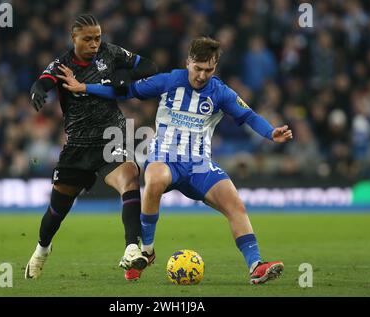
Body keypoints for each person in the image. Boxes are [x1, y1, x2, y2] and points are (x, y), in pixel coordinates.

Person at [56, 37, 293, 284]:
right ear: (188, 62)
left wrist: (270, 132)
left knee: (235, 204)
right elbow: (126, 91)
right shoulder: (169, 80)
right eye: (198, 68)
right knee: (155, 178)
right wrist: (84, 88)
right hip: (164, 159)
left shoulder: (221, 92)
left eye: (208, 70)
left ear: (215, 67)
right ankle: (146, 251)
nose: (202, 75)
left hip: (199, 164)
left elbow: (248, 116)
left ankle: (256, 265)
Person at [25, 14, 158, 281]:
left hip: (111, 137)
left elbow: (150, 67)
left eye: (98, 37)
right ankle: (42, 249)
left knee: (130, 177)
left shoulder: (111, 53)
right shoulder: (62, 64)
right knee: (57, 210)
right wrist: (38, 89)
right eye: (88, 39)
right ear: (73, 38)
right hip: (77, 146)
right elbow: (44, 80)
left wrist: (124, 74)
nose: (95, 43)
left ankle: (132, 247)